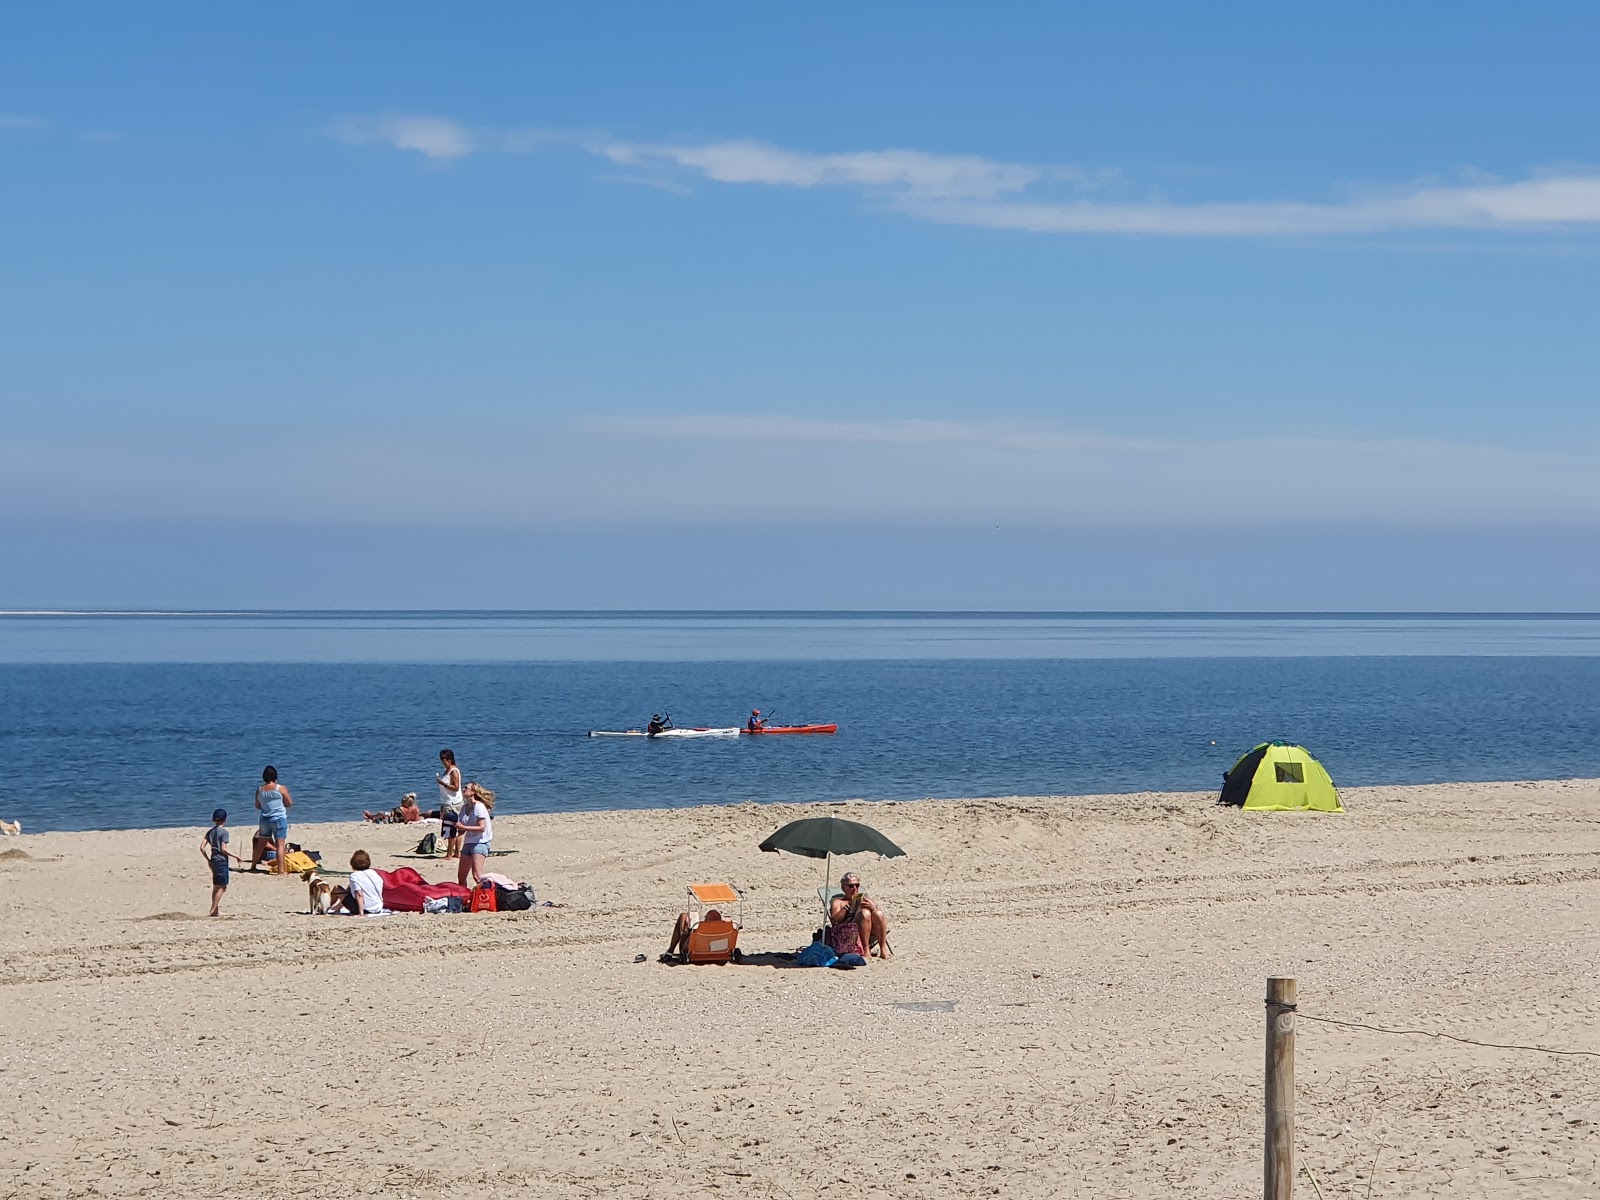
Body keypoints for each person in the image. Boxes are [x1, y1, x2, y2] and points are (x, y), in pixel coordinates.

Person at [829, 872, 892, 960]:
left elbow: (877, 914)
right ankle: (866, 949)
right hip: (848, 933)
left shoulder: (865, 898)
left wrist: (873, 908)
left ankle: (883, 949)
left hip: (869, 929)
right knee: (865, 913)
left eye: (857, 885)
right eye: (851, 886)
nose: (854, 888)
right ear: (843, 888)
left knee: (878, 913)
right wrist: (846, 908)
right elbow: (834, 922)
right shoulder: (838, 902)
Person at [199, 807, 241, 917]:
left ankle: (215, 909)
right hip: (221, 861)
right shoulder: (224, 832)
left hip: (213, 859)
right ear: (225, 820)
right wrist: (236, 856)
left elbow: (202, 848)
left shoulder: (210, 832)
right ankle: (213, 910)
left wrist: (208, 860)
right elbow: (223, 849)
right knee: (222, 886)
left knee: (216, 886)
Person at [251, 766, 293, 874]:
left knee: (260, 843)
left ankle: (253, 866)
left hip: (265, 818)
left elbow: (257, 805)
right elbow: (289, 803)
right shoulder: (281, 788)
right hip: (278, 818)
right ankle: (281, 870)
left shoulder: (259, 790)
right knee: (280, 845)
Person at [456, 783, 494, 888]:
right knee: (461, 877)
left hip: (480, 843)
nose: (463, 789)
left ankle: (486, 897)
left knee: (477, 876)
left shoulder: (479, 806)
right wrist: (453, 833)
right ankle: (464, 898)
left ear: (473, 792)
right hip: (468, 843)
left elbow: (481, 828)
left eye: (466, 788)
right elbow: (462, 828)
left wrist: (463, 828)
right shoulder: (464, 808)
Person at [437, 749, 464, 859]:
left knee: (450, 828)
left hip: (452, 803)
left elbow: (456, 787)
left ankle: (450, 854)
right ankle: (456, 852)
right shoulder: (448, 770)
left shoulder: (453, 771)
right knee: (456, 828)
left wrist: (443, 783)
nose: (443, 762)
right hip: (451, 801)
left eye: (444, 760)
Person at [340, 849, 385, 915]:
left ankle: (325, 910)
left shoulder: (354, 876)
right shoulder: (374, 873)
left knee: (337, 889)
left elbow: (359, 894)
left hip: (366, 909)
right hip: (377, 907)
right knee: (350, 887)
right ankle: (337, 907)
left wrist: (361, 913)